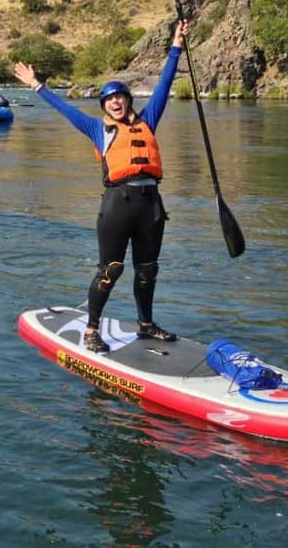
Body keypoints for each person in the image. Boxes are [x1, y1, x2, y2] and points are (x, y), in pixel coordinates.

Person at [13, 20, 188, 353]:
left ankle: (146, 325)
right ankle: (91, 329)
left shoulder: (148, 120)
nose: (117, 103)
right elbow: (65, 109)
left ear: (129, 101)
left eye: (121, 98)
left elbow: (165, 84)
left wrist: (176, 46)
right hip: (118, 205)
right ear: (105, 107)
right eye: (110, 100)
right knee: (112, 268)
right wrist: (37, 85)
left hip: (150, 204)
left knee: (148, 270)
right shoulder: (98, 129)